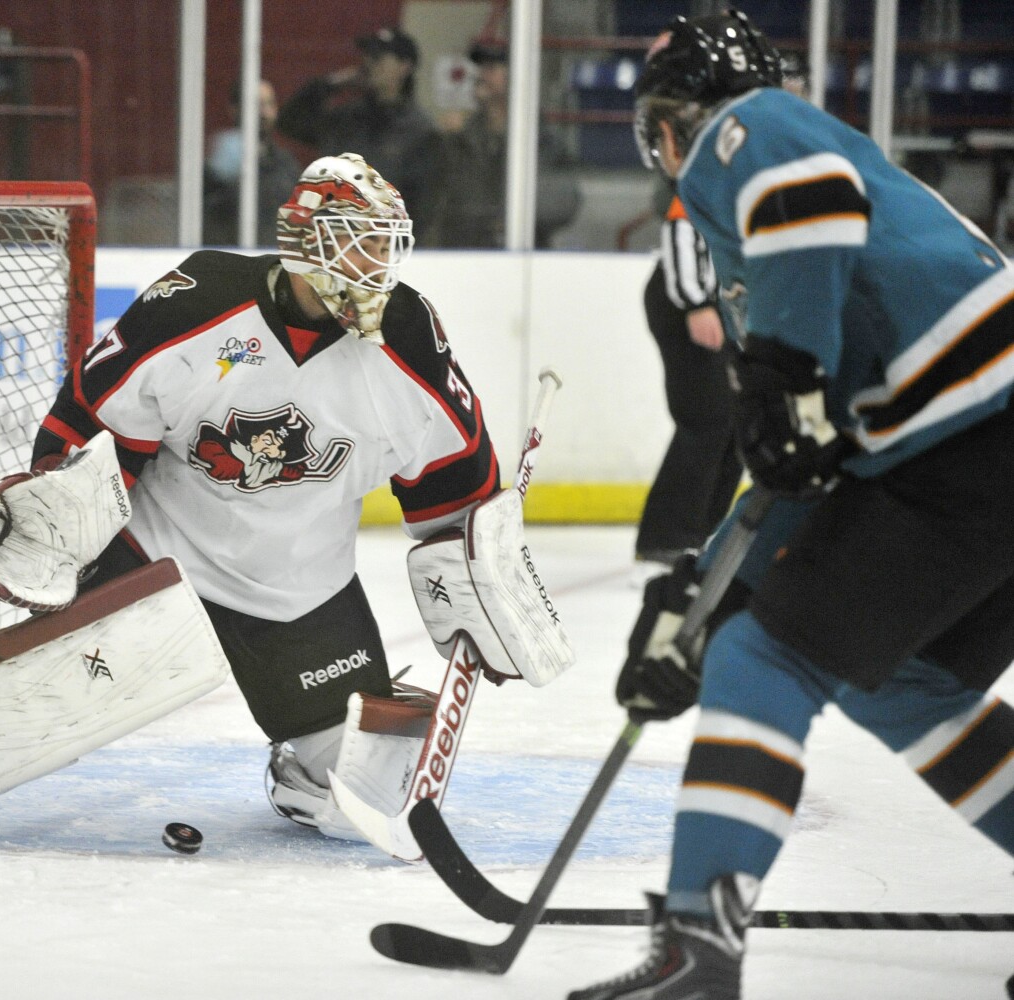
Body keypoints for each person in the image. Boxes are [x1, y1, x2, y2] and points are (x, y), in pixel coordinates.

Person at [570, 9, 1014, 999]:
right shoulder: (778, 260)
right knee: (899, 682)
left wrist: (776, 374)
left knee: (764, 656)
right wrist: (696, 602)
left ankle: (698, 944)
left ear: (673, 120)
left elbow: (803, 222)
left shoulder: (750, 128)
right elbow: (802, 470)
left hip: (974, 434)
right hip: (969, 445)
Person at [0, 153, 526, 842]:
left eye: (387, 242)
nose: (379, 261)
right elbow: (93, 428)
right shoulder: (202, 299)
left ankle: (300, 771)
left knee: (370, 791)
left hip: (297, 593)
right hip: (154, 559)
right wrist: (57, 516)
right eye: (363, 238)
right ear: (307, 239)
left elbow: (456, 490)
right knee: (6, 720)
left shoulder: (407, 341)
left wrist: (486, 575)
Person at [633, 180, 741, 569]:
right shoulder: (709, 172)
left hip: (718, 304)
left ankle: (700, 534)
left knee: (737, 421)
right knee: (707, 416)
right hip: (686, 302)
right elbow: (681, 228)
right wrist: (695, 303)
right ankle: (665, 541)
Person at [426, 39, 582, 248]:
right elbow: (434, 200)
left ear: (517, 76)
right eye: (480, 67)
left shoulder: (542, 141)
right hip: (462, 257)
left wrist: (509, 217)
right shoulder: (459, 138)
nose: (481, 75)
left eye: (491, 68)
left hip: (521, 257)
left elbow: (562, 204)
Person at [276, 27, 436, 219]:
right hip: (335, 234)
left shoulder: (419, 130)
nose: (369, 63)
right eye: (367, 56)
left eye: (378, 58)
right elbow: (288, 123)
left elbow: (425, 203)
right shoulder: (345, 119)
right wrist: (331, 84)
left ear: (404, 67)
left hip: (386, 238)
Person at [202, 79, 301, 246]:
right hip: (230, 256)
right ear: (235, 109)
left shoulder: (285, 163)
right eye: (256, 104)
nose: (264, 112)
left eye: (269, 104)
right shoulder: (221, 157)